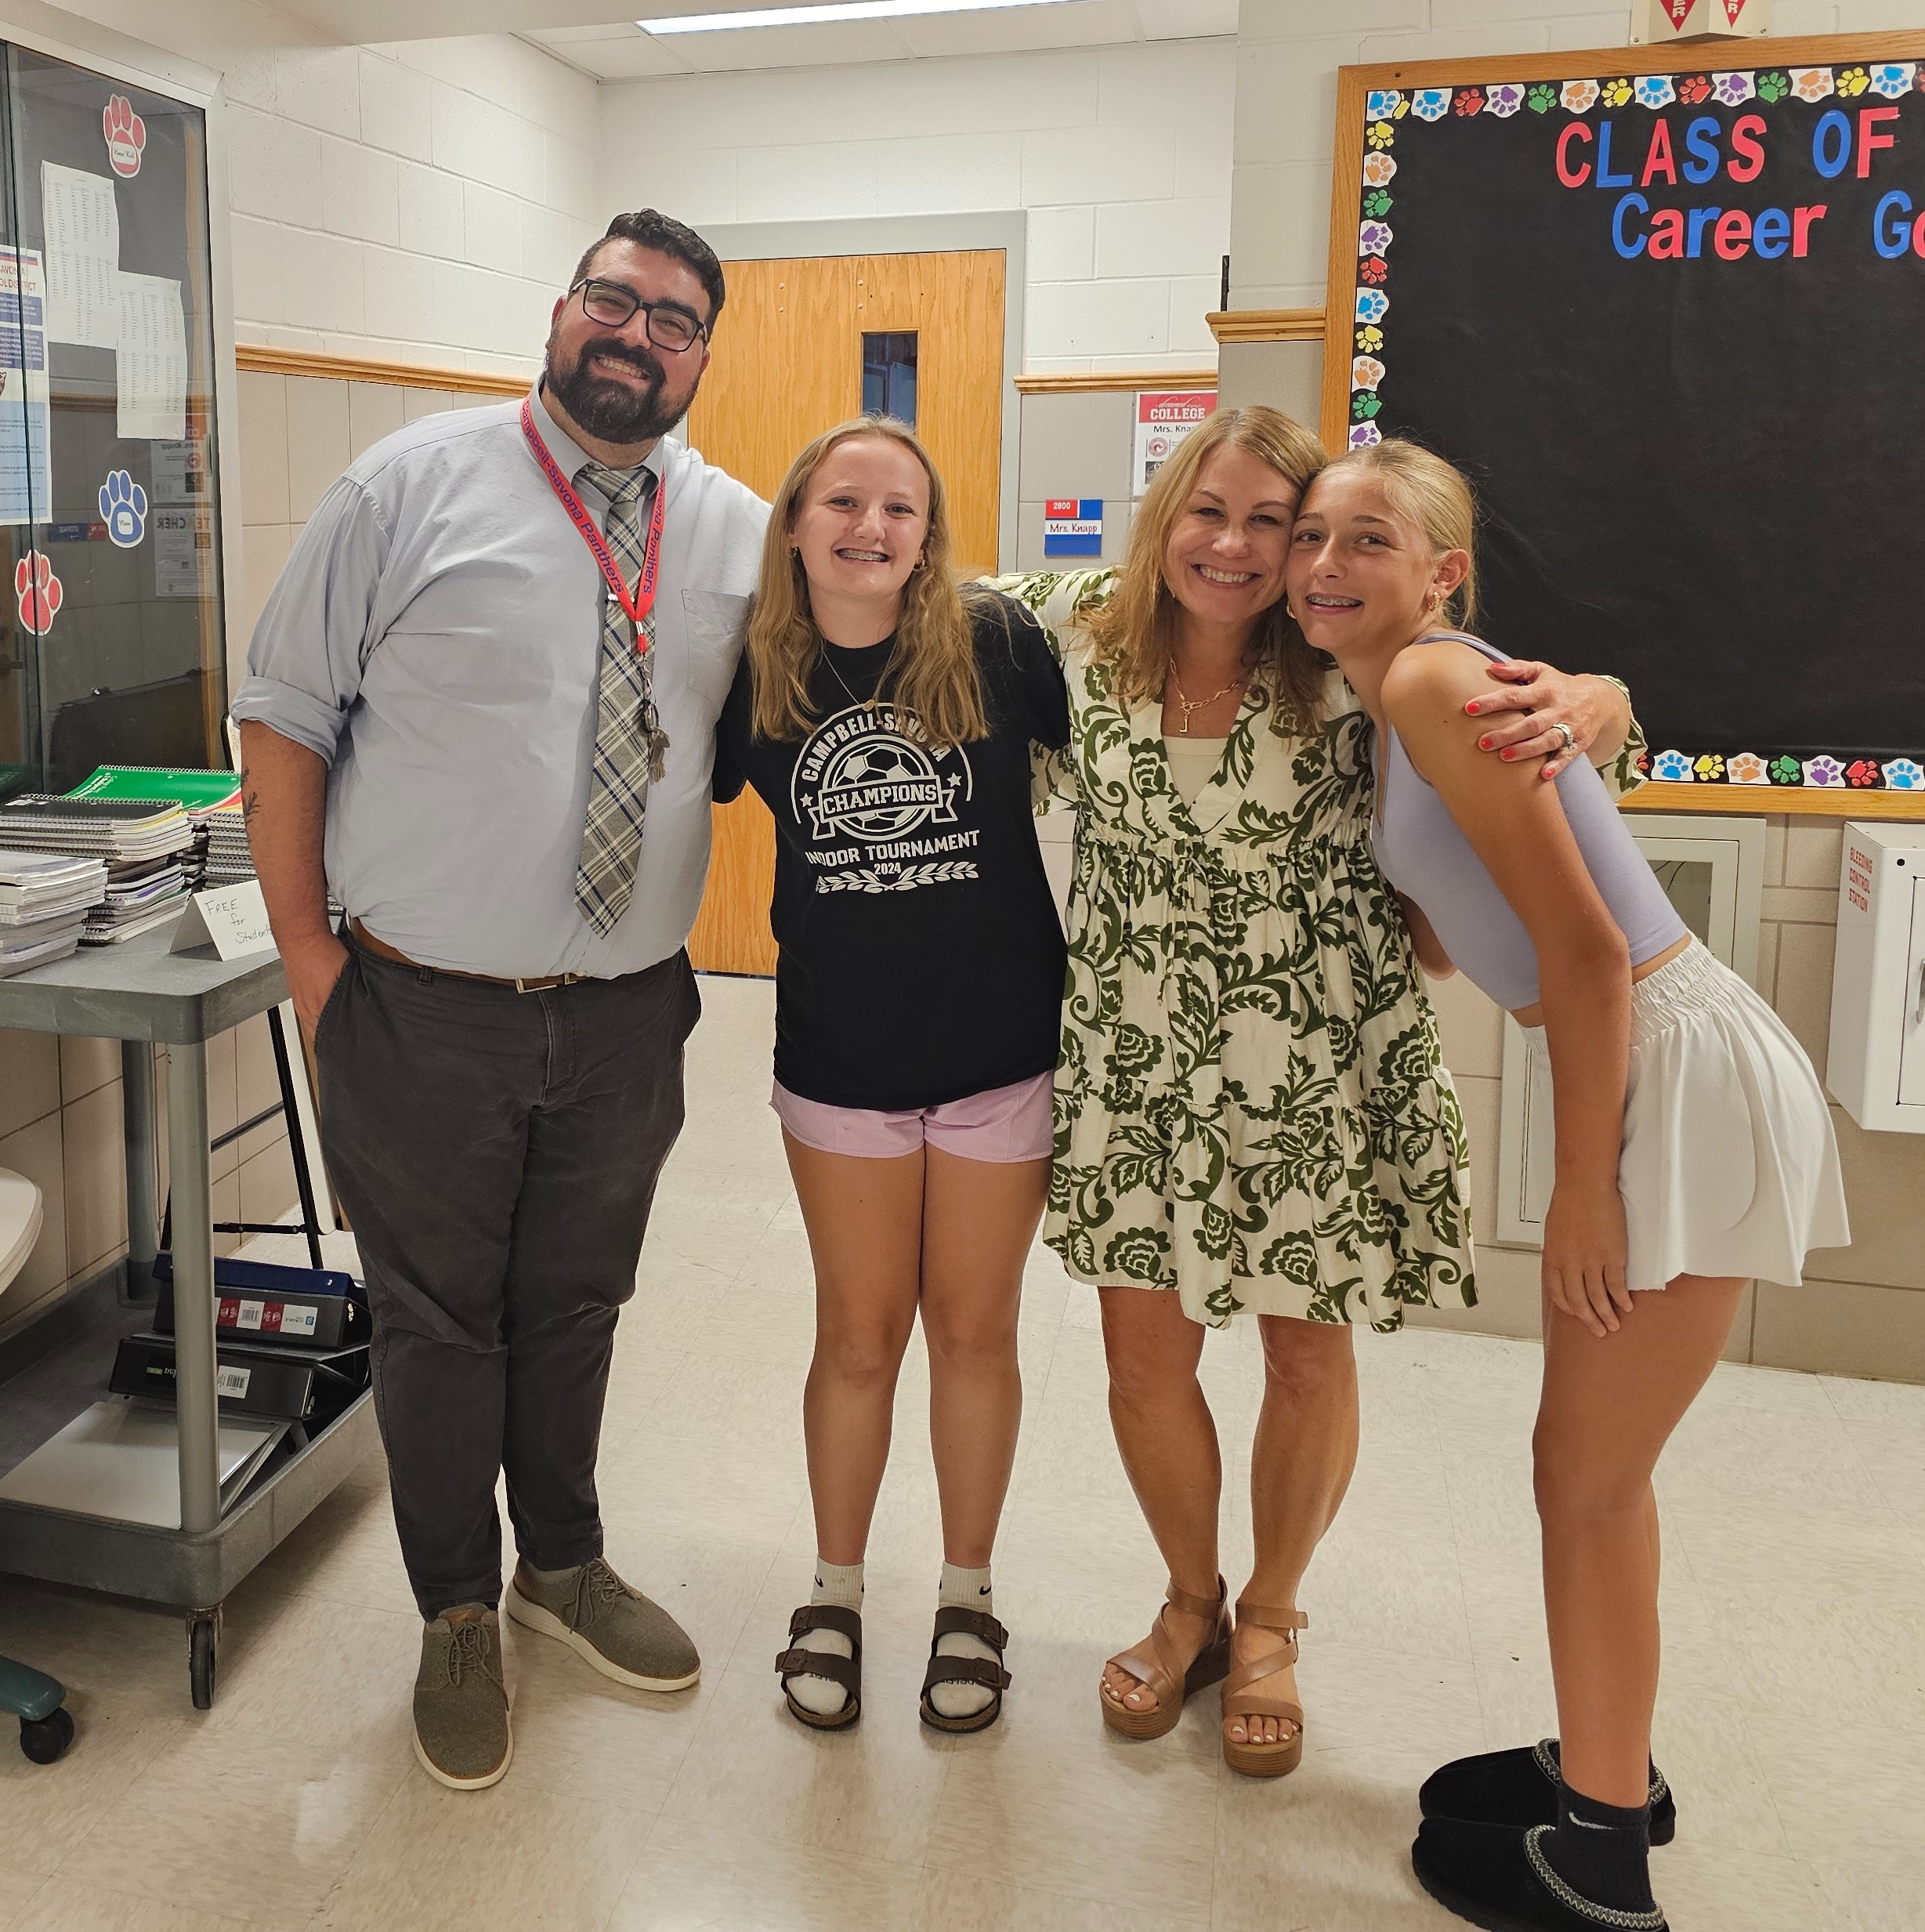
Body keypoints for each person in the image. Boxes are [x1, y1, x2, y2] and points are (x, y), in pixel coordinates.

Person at [991, 407, 1645, 1778]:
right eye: (1206, 511)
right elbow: (909, 596)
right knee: (1140, 1358)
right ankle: (1190, 1599)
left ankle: (1272, 1610)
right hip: (1134, 1059)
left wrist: (1597, 694)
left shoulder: (1360, 662)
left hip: (1318, 1067)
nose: (1237, 548)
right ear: (1164, 511)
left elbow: (1546, 718)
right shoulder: (1075, 628)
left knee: (1303, 1350)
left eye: (1274, 527)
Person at [233, 209, 769, 1791]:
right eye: (615, 299)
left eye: (673, 321)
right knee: (437, 1321)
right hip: (418, 1005)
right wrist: (315, 972)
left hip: (624, 1013)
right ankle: (457, 1607)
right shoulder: (407, 487)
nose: (636, 333)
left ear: (699, 359)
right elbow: (280, 725)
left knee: (576, 1306)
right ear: (561, 310)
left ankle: (564, 1565)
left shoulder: (733, 529)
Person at [1284, 439, 1846, 1930]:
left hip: (1663, 1067)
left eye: (1368, 540)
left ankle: (1601, 1860)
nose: (1325, 564)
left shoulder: (1424, 682)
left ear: (1440, 574)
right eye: (1310, 536)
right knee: (1589, 1476)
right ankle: (1609, 1766)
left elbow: (1590, 952)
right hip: (1653, 1057)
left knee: (1582, 1482)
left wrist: (1583, 1188)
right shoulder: (1402, 695)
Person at [714, 417, 1069, 1734]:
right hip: (840, 1064)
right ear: (796, 520)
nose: (871, 527)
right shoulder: (749, 669)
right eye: (843, 501)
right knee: (859, 1337)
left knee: (975, 1333)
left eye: (900, 509)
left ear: (927, 535)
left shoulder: (997, 646)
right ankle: (835, 1588)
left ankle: (967, 1595)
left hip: (999, 1056)